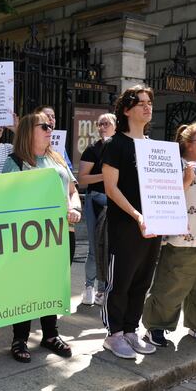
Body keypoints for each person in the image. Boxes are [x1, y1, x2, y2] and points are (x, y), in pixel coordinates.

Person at [2, 112, 79, 362]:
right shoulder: (14, 161)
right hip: (30, 237)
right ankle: (20, 338)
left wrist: (74, 207)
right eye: (44, 126)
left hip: (61, 233)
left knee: (52, 285)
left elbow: (72, 191)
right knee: (25, 286)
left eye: (51, 125)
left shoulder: (56, 158)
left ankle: (50, 334)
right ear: (28, 131)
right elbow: (7, 201)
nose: (50, 129)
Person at [142, 122, 196, 348]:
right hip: (183, 238)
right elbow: (160, 198)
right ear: (188, 144)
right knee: (171, 285)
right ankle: (156, 327)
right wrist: (185, 181)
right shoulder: (174, 166)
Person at [100, 85, 160, 360]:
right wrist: (137, 215)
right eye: (140, 103)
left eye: (149, 102)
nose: (147, 107)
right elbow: (111, 188)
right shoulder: (116, 144)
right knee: (120, 280)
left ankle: (130, 330)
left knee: (142, 280)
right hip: (125, 225)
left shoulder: (154, 146)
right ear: (126, 110)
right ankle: (113, 335)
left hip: (153, 225)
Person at [77, 113, 117, 306]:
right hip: (97, 201)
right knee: (94, 249)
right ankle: (89, 288)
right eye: (100, 124)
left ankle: (103, 291)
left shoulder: (121, 148)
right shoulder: (93, 150)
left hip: (116, 203)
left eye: (106, 123)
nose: (102, 127)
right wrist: (106, 175)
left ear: (116, 126)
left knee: (110, 250)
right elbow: (83, 179)